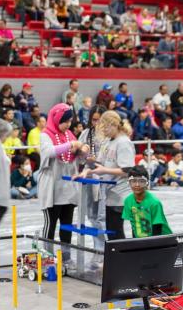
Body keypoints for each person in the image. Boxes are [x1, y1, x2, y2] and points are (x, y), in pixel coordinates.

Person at [38, 104, 85, 250]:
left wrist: (84, 151)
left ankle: (66, 256)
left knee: (67, 226)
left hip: (68, 190)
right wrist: (70, 144)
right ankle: (47, 258)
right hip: (52, 189)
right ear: (57, 119)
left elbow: (78, 158)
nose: (68, 125)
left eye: (70, 121)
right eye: (65, 121)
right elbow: (48, 152)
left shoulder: (69, 134)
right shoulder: (45, 135)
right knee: (50, 224)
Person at [86, 111, 135, 240]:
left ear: (113, 124)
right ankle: (118, 258)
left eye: (105, 127)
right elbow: (100, 163)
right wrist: (89, 161)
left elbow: (127, 170)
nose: (104, 131)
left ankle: (122, 259)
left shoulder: (123, 142)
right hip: (110, 193)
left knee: (116, 231)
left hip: (122, 194)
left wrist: (105, 170)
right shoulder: (107, 141)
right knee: (111, 231)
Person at [122, 165, 171, 238]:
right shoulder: (128, 201)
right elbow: (133, 225)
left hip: (161, 240)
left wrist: (151, 246)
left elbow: (157, 227)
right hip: (141, 240)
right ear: (129, 183)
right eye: (133, 181)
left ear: (147, 183)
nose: (137, 185)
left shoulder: (154, 203)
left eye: (141, 181)